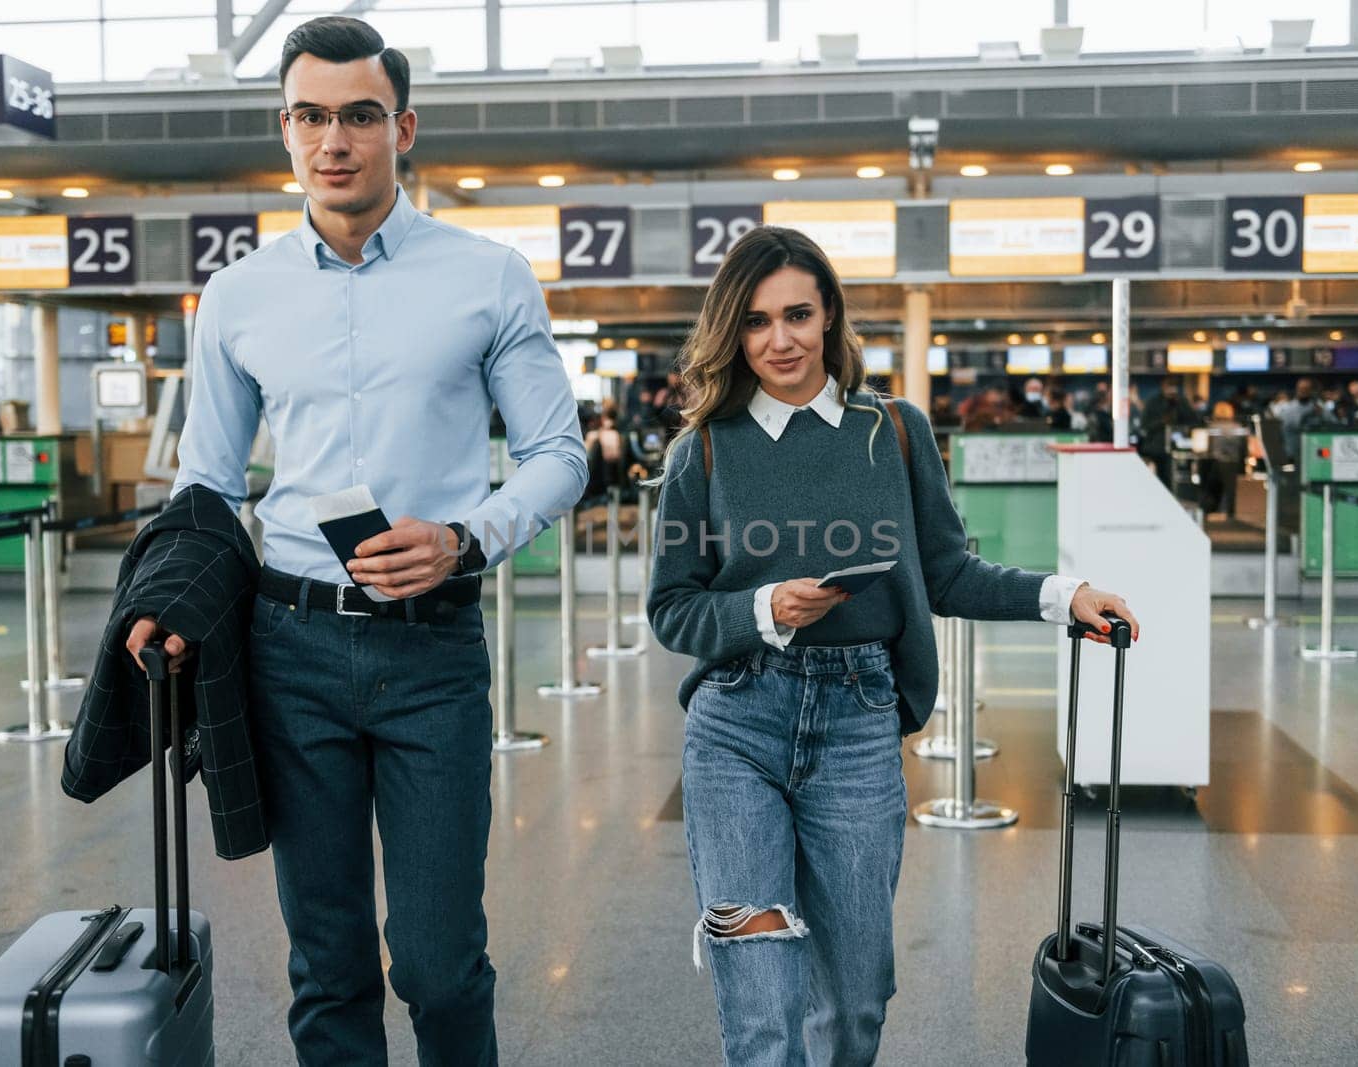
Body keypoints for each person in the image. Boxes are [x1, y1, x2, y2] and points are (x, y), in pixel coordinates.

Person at [131, 17, 588, 1066]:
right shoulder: (240, 294)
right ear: (284, 129)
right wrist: (168, 592)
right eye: (310, 115)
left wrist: (465, 538)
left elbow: (560, 454)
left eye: (359, 114)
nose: (333, 138)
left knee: (437, 958)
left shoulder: (488, 275)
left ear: (404, 127)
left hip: (431, 652)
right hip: (289, 649)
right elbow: (204, 479)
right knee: (327, 962)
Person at [646, 226, 1139, 1066]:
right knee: (762, 1000)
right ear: (734, 332)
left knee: (857, 998)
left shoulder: (895, 433)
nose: (780, 340)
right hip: (737, 725)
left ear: (830, 314)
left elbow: (949, 572)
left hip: (858, 721)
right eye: (757, 322)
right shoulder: (703, 452)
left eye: (798, 314)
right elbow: (674, 609)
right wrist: (766, 607)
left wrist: (1062, 596)